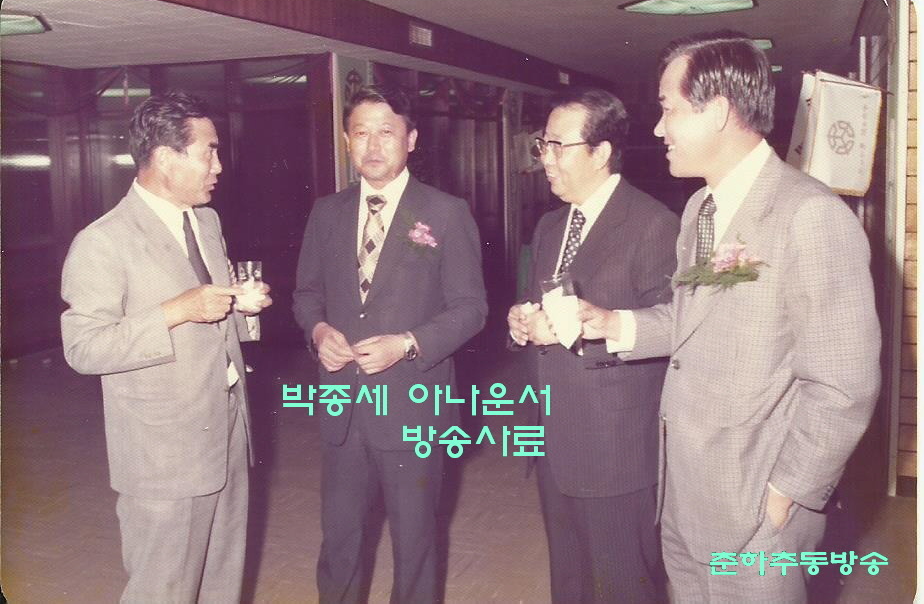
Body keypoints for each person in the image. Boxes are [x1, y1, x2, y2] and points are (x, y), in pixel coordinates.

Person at [578, 33, 881, 602]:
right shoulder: (701, 208)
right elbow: (696, 316)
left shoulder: (810, 216)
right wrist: (614, 324)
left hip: (756, 511)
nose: (658, 129)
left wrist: (789, 492)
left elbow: (845, 383)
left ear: (716, 112)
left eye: (668, 110)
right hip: (686, 492)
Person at [60, 91, 272, 602]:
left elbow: (214, 319)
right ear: (164, 158)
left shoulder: (206, 221)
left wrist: (242, 310)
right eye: (209, 152)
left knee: (222, 581)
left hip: (226, 428)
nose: (219, 166)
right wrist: (175, 311)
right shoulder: (103, 241)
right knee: (163, 589)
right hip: (163, 452)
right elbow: (83, 348)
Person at [293, 85, 487, 603]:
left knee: (414, 546)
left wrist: (407, 343)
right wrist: (318, 331)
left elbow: (471, 308)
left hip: (413, 404)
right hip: (343, 407)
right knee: (340, 543)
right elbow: (307, 294)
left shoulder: (446, 212)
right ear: (346, 141)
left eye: (386, 131)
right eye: (361, 132)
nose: (373, 145)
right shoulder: (327, 212)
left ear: (411, 139)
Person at [507, 87, 678, 602]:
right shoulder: (551, 224)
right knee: (570, 582)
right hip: (554, 437)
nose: (545, 159)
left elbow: (674, 331)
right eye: (543, 145)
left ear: (601, 152)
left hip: (616, 449)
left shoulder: (653, 224)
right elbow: (543, 306)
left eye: (559, 146)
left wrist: (585, 332)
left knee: (623, 586)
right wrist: (521, 323)